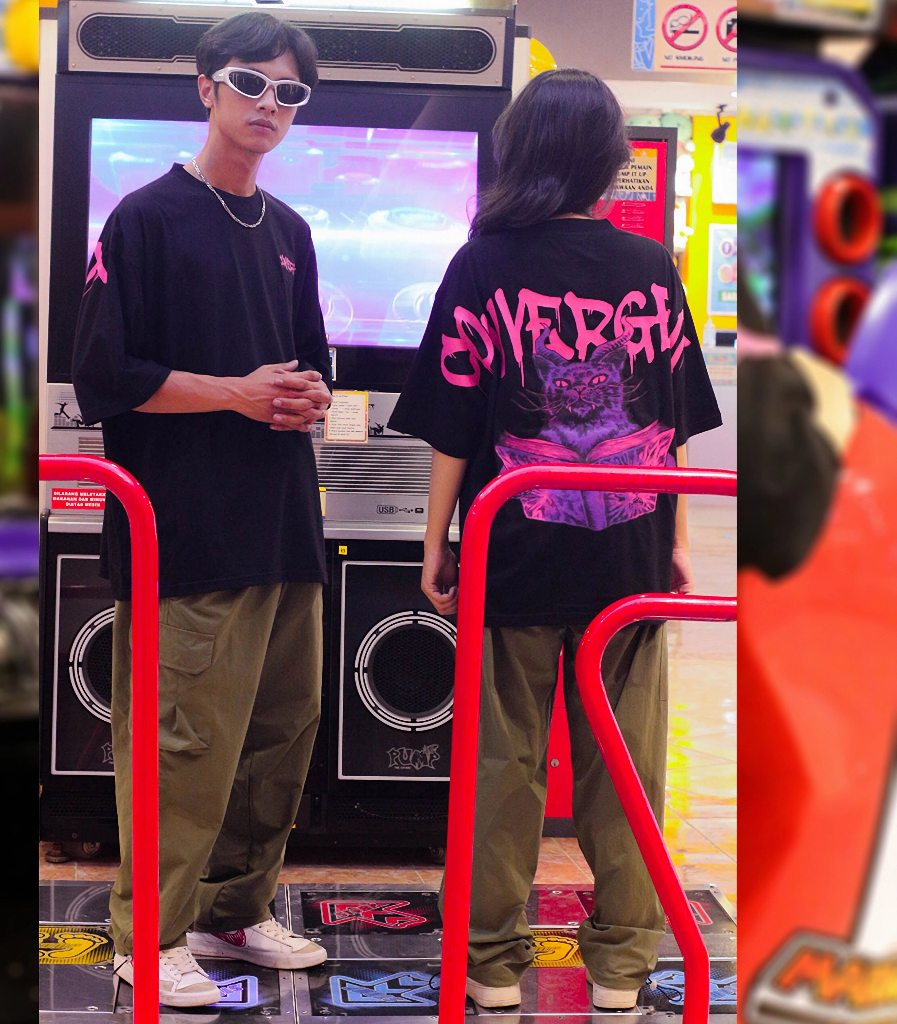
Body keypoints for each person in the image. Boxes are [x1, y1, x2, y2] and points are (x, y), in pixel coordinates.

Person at [387, 69, 722, 1012]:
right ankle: (621, 966)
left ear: (519, 152)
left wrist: (436, 541)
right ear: (610, 161)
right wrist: (679, 535)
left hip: (513, 550)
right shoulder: (649, 266)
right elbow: (670, 420)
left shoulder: (481, 264)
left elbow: (454, 425)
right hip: (629, 552)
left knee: (503, 766)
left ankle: (491, 965)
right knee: (628, 768)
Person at [71, 12, 333, 1008]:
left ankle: (235, 908)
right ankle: (149, 934)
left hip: (284, 526)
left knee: (279, 737)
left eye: (289, 92)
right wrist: (235, 393)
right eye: (251, 83)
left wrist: (305, 396)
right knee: (182, 746)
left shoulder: (292, 232)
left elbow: (309, 366)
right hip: (183, 531)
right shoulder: (143, 220)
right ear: (206, 87)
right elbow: (106, 376)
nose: (269, 105)